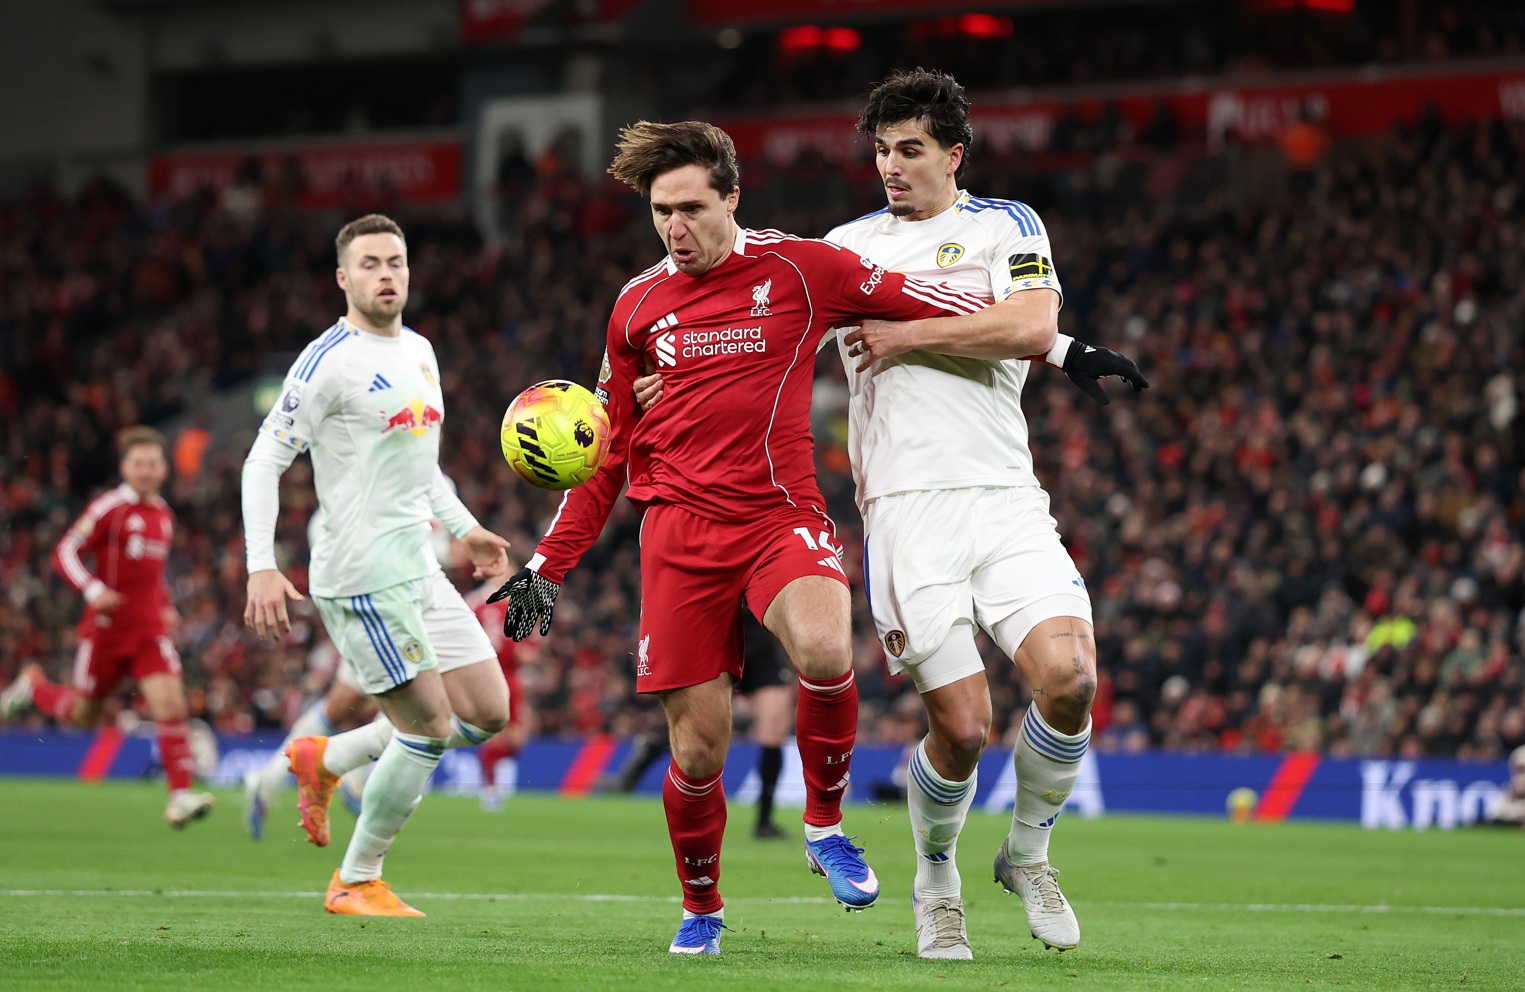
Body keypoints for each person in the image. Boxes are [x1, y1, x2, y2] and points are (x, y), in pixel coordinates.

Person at [634, 70, 1148, 960]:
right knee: (962, 725)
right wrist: (667, 382)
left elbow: (1024, 321)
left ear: (953, 153)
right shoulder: (840, 245)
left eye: (909, 149)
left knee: (1069, 679)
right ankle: (937, 880)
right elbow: (733, 298)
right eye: (879, 150)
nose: (890, 166)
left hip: (1003, 495)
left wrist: (1047, 347)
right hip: (904, 512)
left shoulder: (1005, 225)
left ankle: (1028, 853)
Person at [487, 119, 1001, 956]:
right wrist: (548, 564)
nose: (675, 228)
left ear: (732, 196)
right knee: (696, 753)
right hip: (678, 538)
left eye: (691, 207)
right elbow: (606, 456)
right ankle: (701, 908)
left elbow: (941, 302)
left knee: (827, 650)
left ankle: (824, 826)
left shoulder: (803, 268)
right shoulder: (635, 307)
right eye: (660, 212)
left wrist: (1035, 328)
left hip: (777, 515)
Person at [241, 213, 514, 916]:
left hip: (419, 566)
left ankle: (323, 759)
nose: (385, 273)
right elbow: (263, 459)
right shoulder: (327, 360)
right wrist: (259, 564)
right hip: (361, 575)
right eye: (369, 263)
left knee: (486, 713)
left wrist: (466, 529)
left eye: (395, 261)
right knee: (426, 729)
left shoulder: (421, 350)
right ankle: (355, 880)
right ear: (343, 278)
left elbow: (423, 467)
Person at [1, 426, 216, 829]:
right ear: (125, 467)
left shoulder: (164, 516)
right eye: (139, 464)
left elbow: (155, 575)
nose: (146, 471)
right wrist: (93, 588)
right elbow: (65, 551)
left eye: (153, 464)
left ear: (163, 468)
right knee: (84, 715)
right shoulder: (108, 508)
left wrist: (165, 605)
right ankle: (34, 687)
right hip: (106, 629)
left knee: (171, 704)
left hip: (148, 630)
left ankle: (180, 795)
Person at [597, 609, 795, 840]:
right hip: (718, 637)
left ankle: (764, 822)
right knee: (698, 726)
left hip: (761, 646)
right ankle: (633, 772)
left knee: (775, 729)